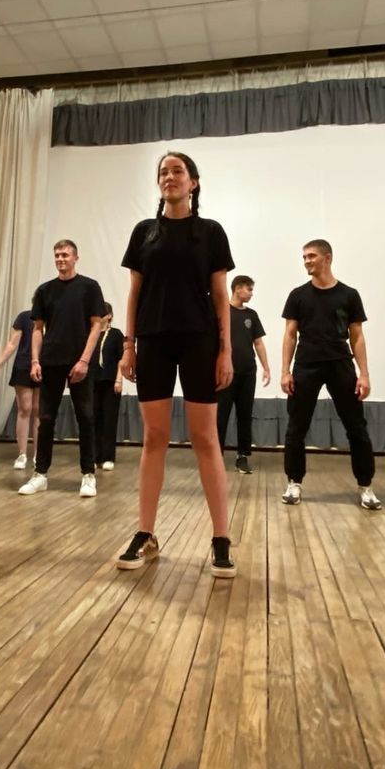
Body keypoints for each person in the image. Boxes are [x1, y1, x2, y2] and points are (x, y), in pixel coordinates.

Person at [116, 151, 236, 578]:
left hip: (200, 341)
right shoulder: (144, 232)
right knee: (154, 437)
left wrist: (225, 350)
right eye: (163, 172)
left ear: (193, 183)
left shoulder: (211, 232)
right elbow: (134, 293)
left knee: (205, 439)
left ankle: (221, 537)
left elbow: (220, 296)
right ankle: (146, 533)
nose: (169, 176)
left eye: (177, 171)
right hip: (153, 341)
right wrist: (129, 346)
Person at [279, 240, 379, 510]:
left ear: (327, 258)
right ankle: (294, 483)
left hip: (340, 365)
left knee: (356, 427)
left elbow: (357, 336)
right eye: (304, 257)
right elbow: (290, 334)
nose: (307, 261)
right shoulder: (298, 295)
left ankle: (366, 486)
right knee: (296, 427)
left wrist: (364, 374)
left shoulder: (349, 295)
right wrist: (285, 371)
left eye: (311, 256)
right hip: (306, 366)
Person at [20, 240, 104, 497]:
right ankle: (40, 474)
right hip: (51, 361)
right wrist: (35, 360)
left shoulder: (89, 287)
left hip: (79, 362)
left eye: (65, 254)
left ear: (75, 258)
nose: (60, 259)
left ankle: (88, 475)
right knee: (45, 418)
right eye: (57, 255)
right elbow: (37, 329)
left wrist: (84, 361)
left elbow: (96, 326)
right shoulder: (45, 290)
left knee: (85, 417)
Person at [216, 274, 270, 475]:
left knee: (245, 415)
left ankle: (242, 456)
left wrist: (266, 367)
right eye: (249, 289)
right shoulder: (221, 311)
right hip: (225, 374)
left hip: (247, 373)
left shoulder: (251, 315)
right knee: (220, 415)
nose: (251, 294)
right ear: (238, 288)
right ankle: (216, 457)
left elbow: (258, 343)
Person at [0, 308, 39, 470]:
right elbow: (12, 343)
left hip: (45, 366)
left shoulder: (52, 317)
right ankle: (22, 454)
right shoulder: (24, 317)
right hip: (23, 365)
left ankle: (39, 454)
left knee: (39, 411)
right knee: (24, 409)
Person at [92, 303, 125, 471]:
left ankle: (108, 457)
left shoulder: (116, 334)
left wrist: (119, 379)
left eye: (102, 313)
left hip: (110, 382)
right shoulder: (91, 334)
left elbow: (121, 359)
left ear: (109, 316)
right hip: (93, 382)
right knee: (93, 419)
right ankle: (95, 456)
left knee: (109, 420)